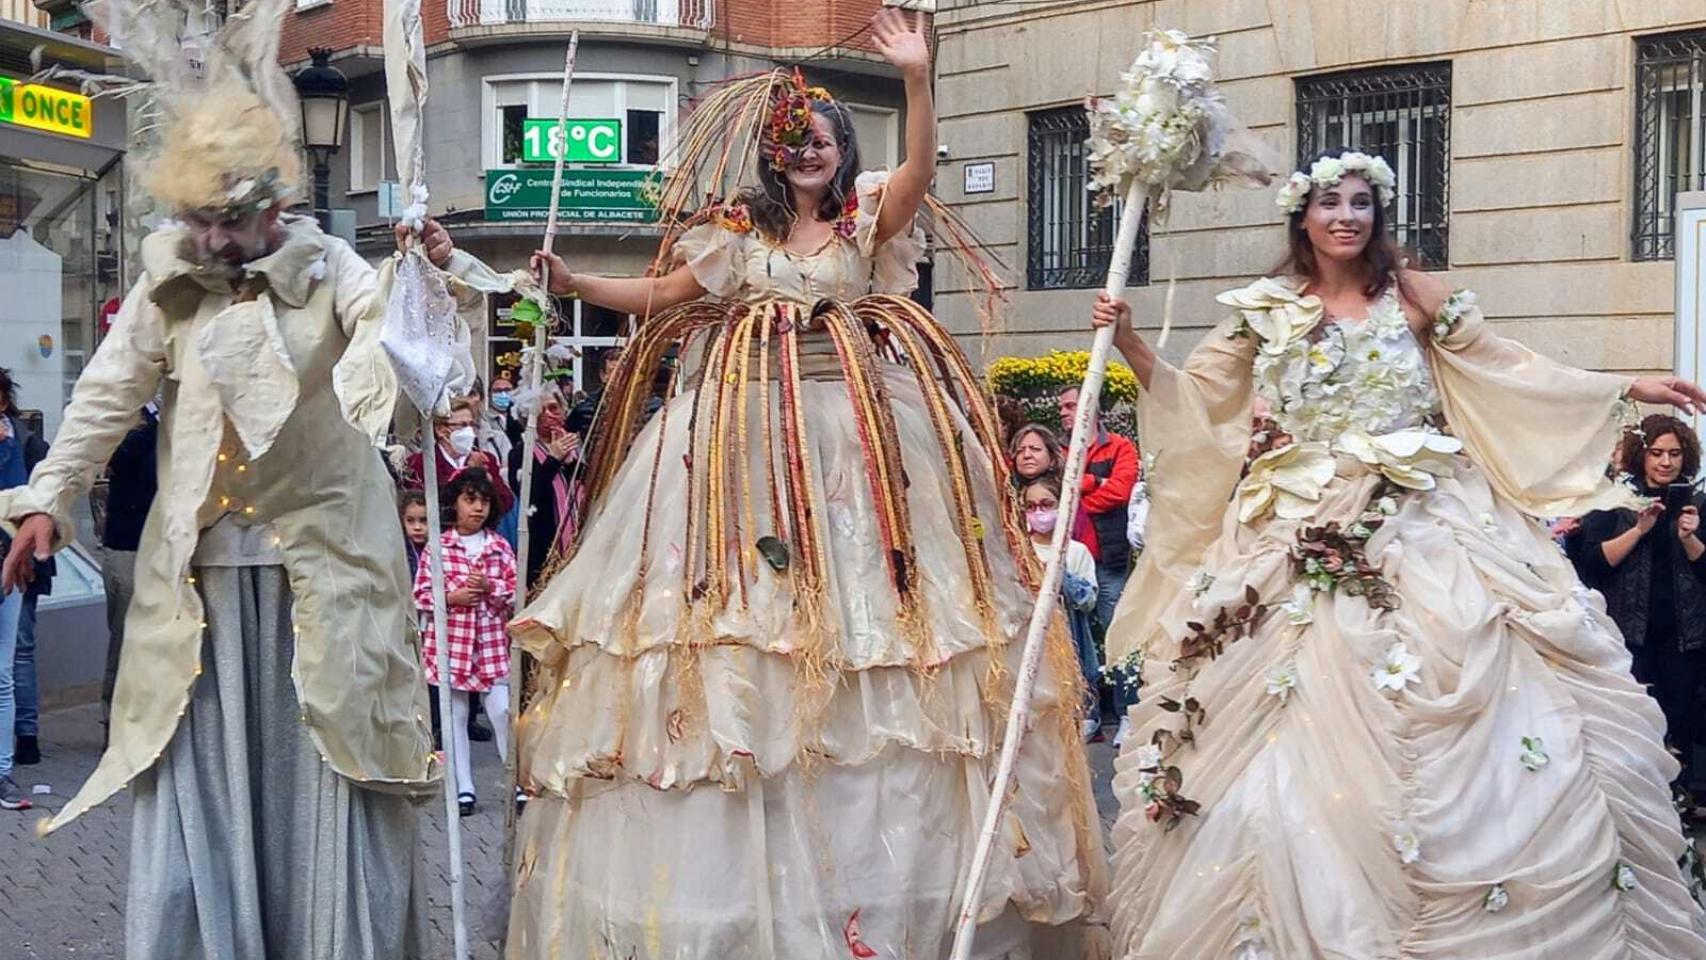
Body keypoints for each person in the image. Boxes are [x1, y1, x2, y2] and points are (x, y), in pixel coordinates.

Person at [510, 10, 1107, 957]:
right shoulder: (730, 236)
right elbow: (664, 297)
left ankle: (885, 884)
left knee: (890, 630)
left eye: (823, 140)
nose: (809, 152)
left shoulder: (868, 217)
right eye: (795, 141)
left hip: (867, 441)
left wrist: (917, 75)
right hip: (739, 444)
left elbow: (917, 176)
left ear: (841, 151)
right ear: (771, 153)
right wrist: (578, 283)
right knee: (742, 627)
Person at [1090, 147, 1706, 957]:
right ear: (1301, 217)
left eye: (1360, 204)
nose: (1346, 217)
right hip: (1293, 522)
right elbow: (1201, 398)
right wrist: (1130, 341)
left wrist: (1631, 387)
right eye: (1329, 203)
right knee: (1272, 722)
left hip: (1430, 515)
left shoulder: (1416, 297)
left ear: (1378, 216)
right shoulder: (1265, 307)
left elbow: (1510, 368)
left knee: (1483, 659)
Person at [0, 6, 518, 948]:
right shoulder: (169, 283)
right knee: (201, 773)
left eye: (224, 222)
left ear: (273, 207)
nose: (208, 241)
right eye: (195, 221)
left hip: (324, 582)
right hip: (198, 590)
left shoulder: (332, 270)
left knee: (335, 760)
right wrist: (47, 496)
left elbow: (424, 367)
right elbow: (108, 391)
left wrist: (423, 286)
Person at [1576, 414, 1706, 805]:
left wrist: (1690, 539)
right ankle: (1637, 804)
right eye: (1657, 453)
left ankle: (1676, 804)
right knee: (1633, 725)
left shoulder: (1698, 504)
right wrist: (1638, 529)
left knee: (1677, 723)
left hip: (1686, 636)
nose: (1666, 463)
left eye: (1674, 454)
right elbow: (1592, 565)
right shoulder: (1613, 502)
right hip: (1628, 635)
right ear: (1641, 456)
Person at [413, 467, 515, 816]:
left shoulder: (499, 547)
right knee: (454, 714)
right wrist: (451, 598)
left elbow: (515, 594)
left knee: (501, 710)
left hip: (489, 644)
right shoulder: (438, 548)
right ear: (454, 503)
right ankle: (463, 787)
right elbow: (421, 594)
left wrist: (492, 589)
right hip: (452, 644)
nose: (478, 508)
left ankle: (515, 779)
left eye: (484, 501)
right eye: (470, 499)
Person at [1022, 473, 1102, 742]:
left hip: (1070, 645)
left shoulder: (1076, 552)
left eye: (1046, 504)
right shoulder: (1018, 552)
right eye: (1031, 507)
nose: (1039, 512)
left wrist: (1059, 576)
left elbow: (1089, 601)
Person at [0, 369, 52, 775]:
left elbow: (38, 506)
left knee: (19, 649)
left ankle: (26, 737)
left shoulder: (25, 443)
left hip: (20, 560)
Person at [96, 403, 159, 729]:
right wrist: (157, 424)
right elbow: (115, 461)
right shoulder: (126, 416)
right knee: (126, 636)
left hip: (165, 545)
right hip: (128, 546)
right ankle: (115, 720)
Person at [1057, 384, 1139, 631]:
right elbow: (1054, 490)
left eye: (1070, 406)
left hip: (1109, 555)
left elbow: (1120, 491)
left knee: (1112, 621)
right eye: (1061, 407)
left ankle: (1118, 669)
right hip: (1069, 556)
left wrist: (1078, 498)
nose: (1062, 412)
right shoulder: (1056, 450)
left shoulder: (1119, 447)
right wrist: (1097, 482)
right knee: (1070, 626)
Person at [506, 382, 582, 587]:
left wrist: (568, 462)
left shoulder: (575, 447)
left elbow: (585, 486)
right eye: (541, 411)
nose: (549, 415)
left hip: (578, 541)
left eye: (553, 408)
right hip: (543, 548)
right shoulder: (520, 452)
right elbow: (528, 494)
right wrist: (553, 459)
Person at [407, 396, 516, 518]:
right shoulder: (419, 463)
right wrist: (468, 474)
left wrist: (485, 476)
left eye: (471, 425)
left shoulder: (486, 460)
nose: (469, 431)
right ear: (441, 430)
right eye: (462, 425)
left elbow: (506, 502)